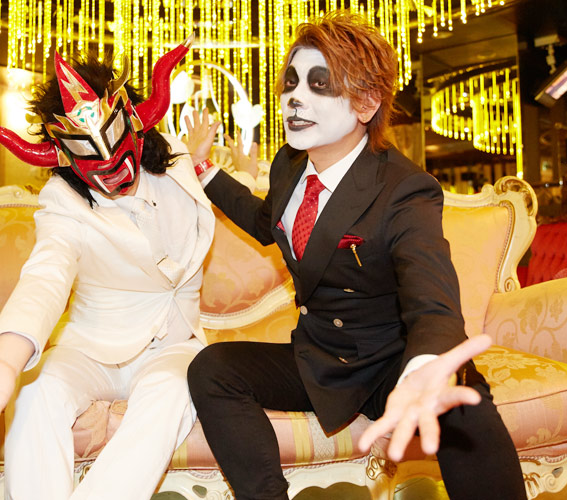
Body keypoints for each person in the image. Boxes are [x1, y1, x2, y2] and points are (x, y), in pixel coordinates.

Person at [185, 11, 526, 500]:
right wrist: (204, 169)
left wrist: (425, 367)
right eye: (291, 82)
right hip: (320, 356)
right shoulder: (289, 164)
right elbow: (265, 222)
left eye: (319, 84)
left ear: (366, 103)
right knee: (212, 368)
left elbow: (432, 299)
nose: (295, 98)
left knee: (462, 402)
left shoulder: (404, 188)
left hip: (390, 362)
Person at [0, 37, 217, 500]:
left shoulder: (174, 160)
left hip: (174, 345)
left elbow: (183, 187)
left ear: (135, 125)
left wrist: (197, 155)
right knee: (36, 392)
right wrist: (4, 359)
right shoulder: (63, 199)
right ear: (68, 157)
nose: (110, 165)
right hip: (92, 346)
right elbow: (46, 274)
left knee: (173, 390)